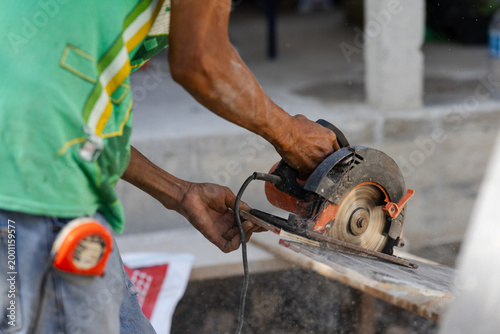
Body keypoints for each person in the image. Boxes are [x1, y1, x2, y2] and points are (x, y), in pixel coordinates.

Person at [0, 0, 338, 333]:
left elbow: (89, 127)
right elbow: (202, 61)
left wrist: (180, 194)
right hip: (31, 187)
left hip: (37, 173)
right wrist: (291, 135)